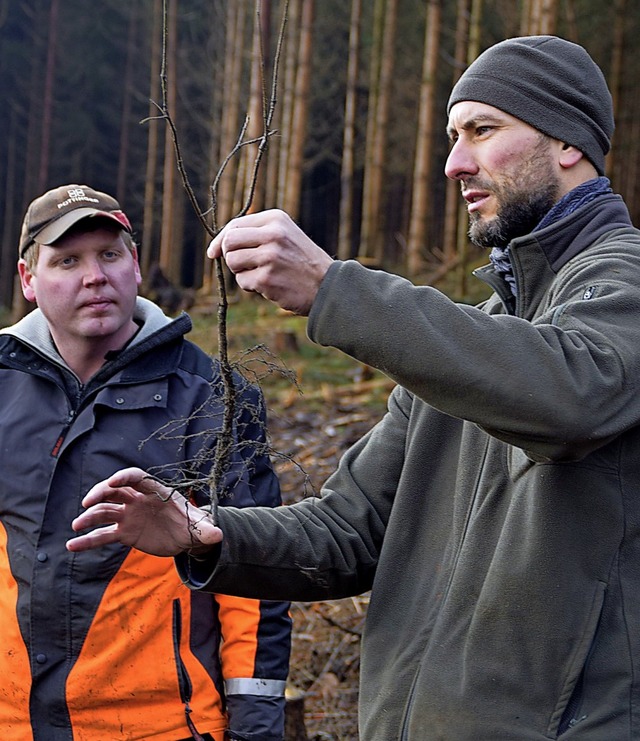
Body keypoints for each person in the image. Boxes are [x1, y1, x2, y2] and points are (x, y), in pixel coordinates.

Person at [67, 36, 640, 739]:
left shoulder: (623, 285)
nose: (454, 163)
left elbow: (572, 393)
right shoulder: (465, 344)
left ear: (569, 142)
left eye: (483, 131)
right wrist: (204, 534)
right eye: (453, 136)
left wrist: (335, 289)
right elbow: (345, 530)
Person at [0, 184, 291, 741]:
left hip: (160, 726)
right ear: (28, 280)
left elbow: (254, 573)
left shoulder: (211, 397)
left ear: (134, 265)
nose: (95, 276)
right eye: (67, 261)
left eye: (110, 254)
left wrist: (254, 727)